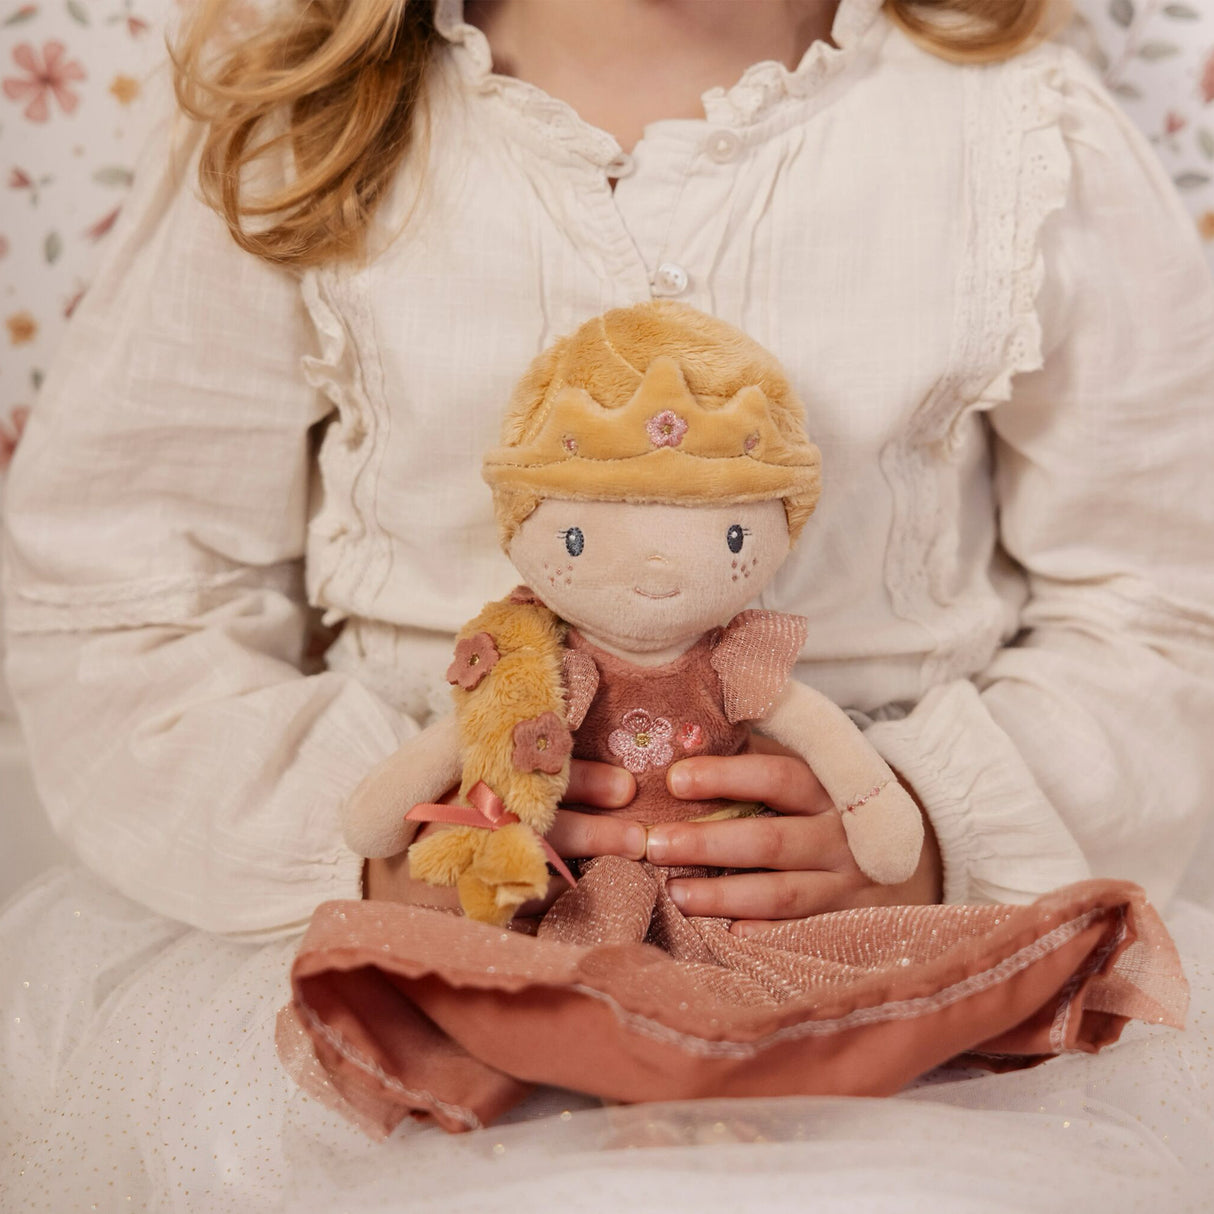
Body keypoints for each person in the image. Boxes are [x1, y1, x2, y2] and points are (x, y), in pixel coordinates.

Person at [2, 0, 1212, 1207]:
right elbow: (117, 593)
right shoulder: (305, 119)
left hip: (882, 986)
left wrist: (934, 835)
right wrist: (364, 849)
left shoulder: (1013, 131)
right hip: (416, 965)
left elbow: (1167, 599)